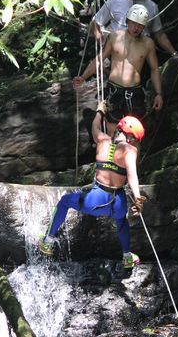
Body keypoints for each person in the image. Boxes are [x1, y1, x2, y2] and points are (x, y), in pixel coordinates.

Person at [37, 115, 147, 270]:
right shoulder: (130, 150)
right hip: (118, 202)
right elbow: (132, 176)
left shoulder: (102, 141)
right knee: (121, 221)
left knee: (64, 202)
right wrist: (138, 198)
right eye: (135, 139)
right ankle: (127, 256)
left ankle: (47, 241)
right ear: (131, 138)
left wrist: (99, 113)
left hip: (96, 200)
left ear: (119, 129)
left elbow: (94, 127)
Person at [73, 4, 163, 135]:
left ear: (144, 27)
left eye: (140, 25)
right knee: (112, 130)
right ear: (127, 21)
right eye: (134, 23)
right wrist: (83, 77)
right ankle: (112, 155)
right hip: (114, 90)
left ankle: (133, 155)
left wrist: (159, 94)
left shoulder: (148, 43)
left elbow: (154, 69)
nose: (136, 28)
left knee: (134, 133)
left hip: (135, 92)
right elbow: (99, 59)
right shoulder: (115, 37)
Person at [94, 0, 178, 58]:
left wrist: (174, 53)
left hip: (142, 55)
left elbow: (159, 34)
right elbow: (95, 23)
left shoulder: (152, 6)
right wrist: (103, 45)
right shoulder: (113, 2)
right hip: (118, 54)